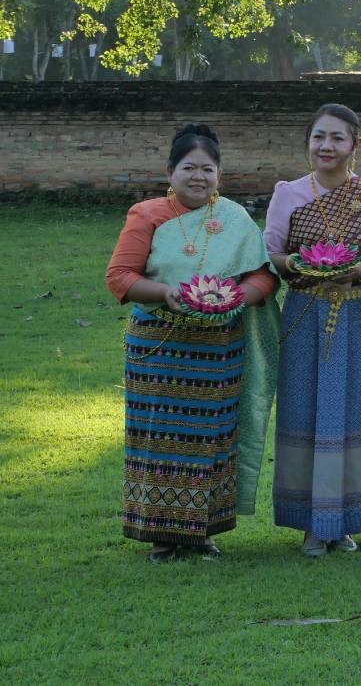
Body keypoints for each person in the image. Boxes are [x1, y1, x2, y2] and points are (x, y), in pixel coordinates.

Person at [105, 123, 280, 562]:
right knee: (160, 438)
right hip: (160, 347)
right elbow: (120, 277)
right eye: (189, 168)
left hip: (218, 350)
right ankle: (162, 534)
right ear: (170, 171)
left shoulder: (236, 220)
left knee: (213, 438)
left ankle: (203, 531)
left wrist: (238, 297)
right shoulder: (146, 215)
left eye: (208, 169)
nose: (198, 177)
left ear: (219, 174)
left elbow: (263, 275)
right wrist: (167, 294)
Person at [264, 103, 361, 556]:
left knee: (351, 415)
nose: (327, 146)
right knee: (305, 413)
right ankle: (310, 523)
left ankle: (344, 521)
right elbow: (272, 255)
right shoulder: (288, 194)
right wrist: (304, 264)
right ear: (309, 141)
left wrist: (359, 270)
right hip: (305, 313)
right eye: (319, 136)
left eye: (338, 138)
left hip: (358, 314)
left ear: (355, 144)